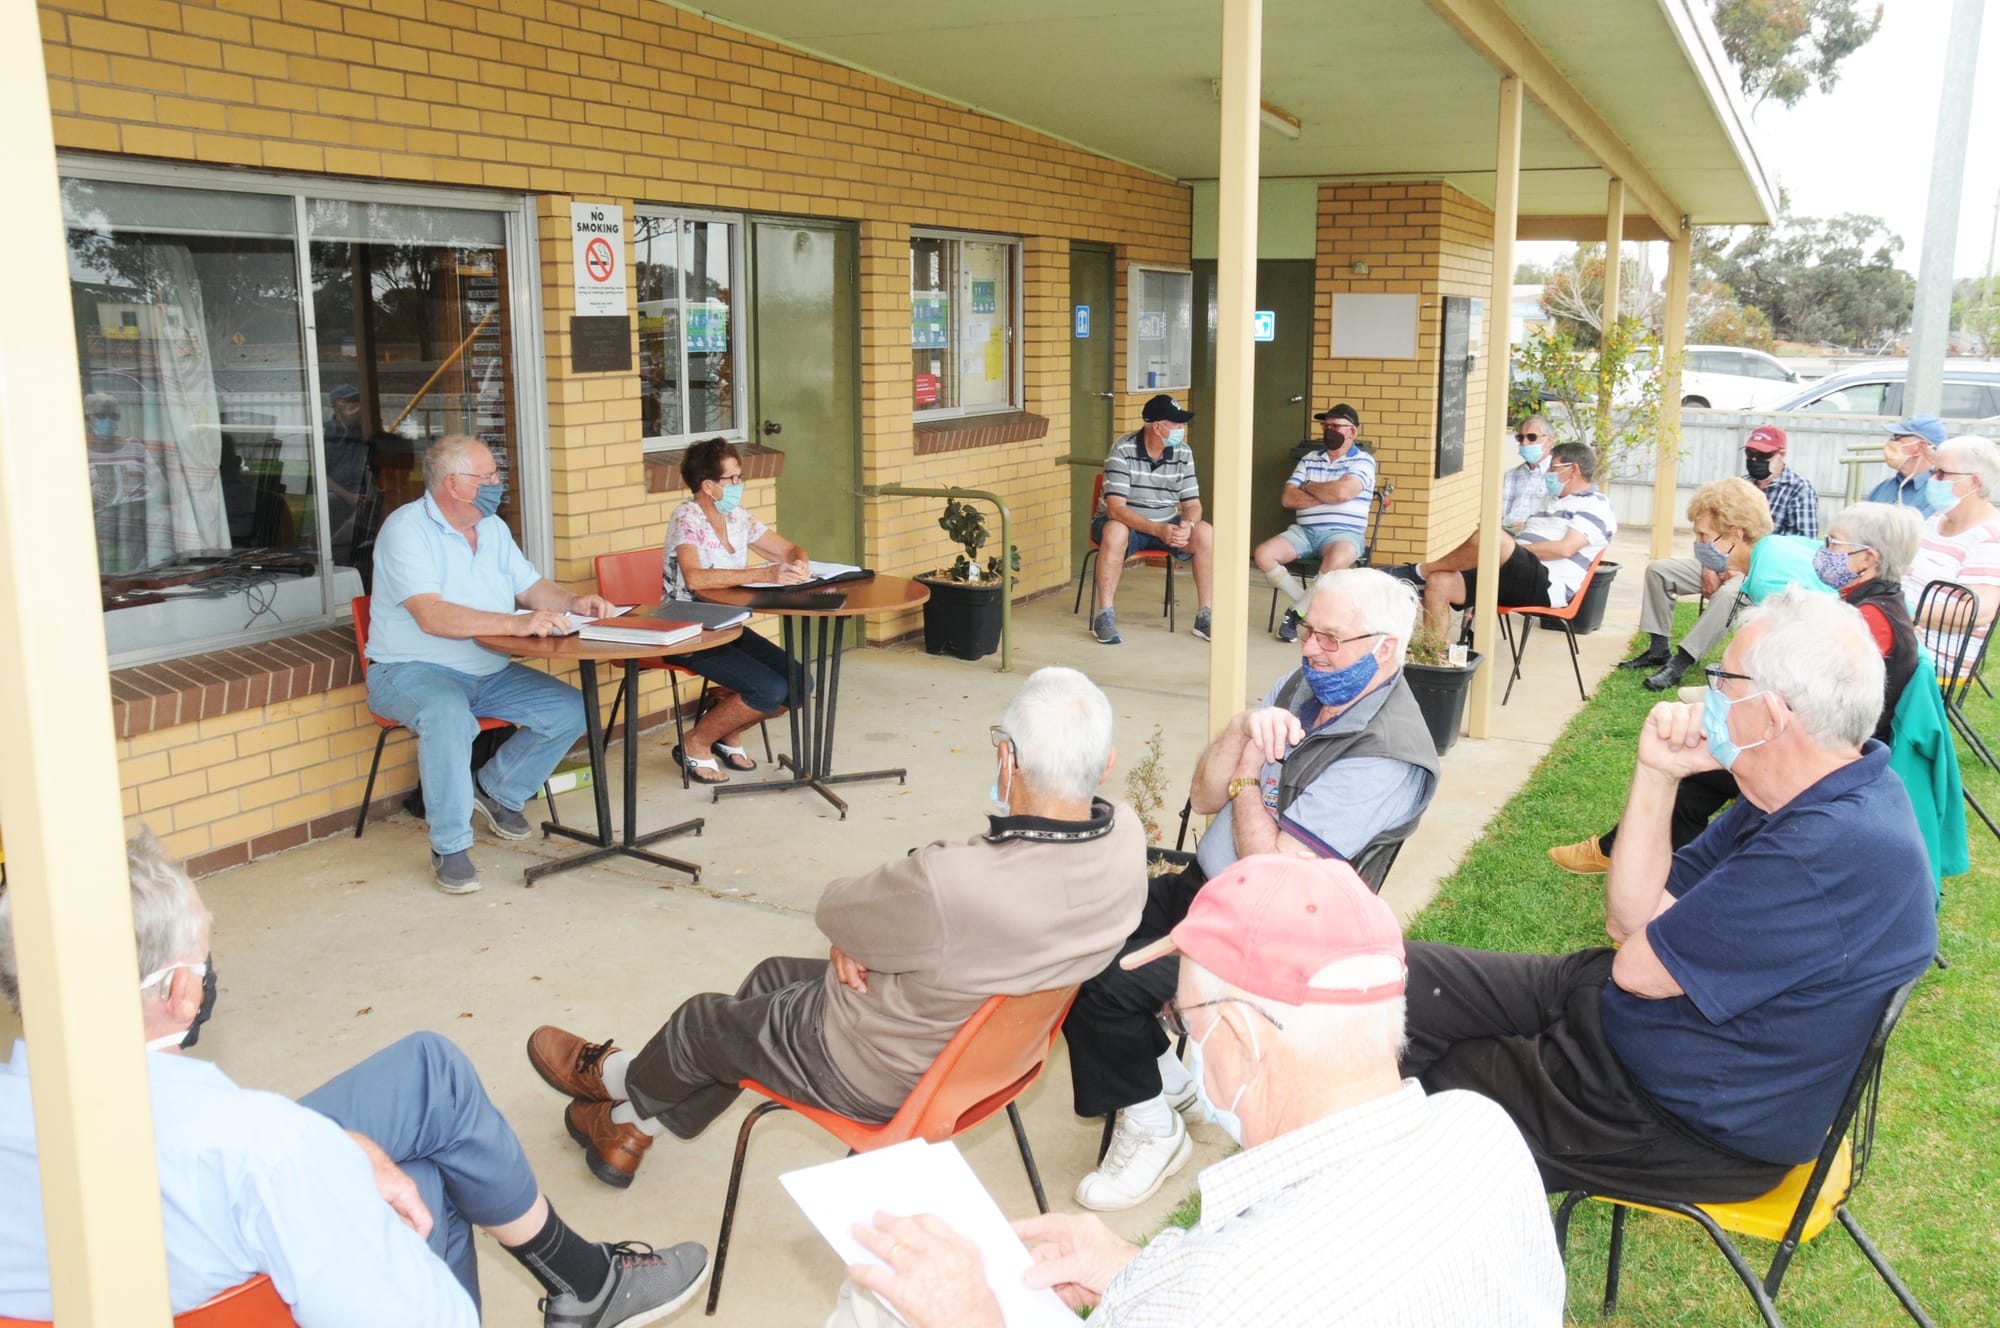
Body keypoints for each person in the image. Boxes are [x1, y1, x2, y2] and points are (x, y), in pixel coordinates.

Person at [0, 830, 709, 1328]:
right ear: (183, 991)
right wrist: (325, 1153)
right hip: (218, 1287)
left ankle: (583, 1281)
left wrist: (333, 1149)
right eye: (208, 944)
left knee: (428, 1083)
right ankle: (587, 1284)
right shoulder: (266, 1149)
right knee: (428, 1189)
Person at [823, 857, 1565, 1328]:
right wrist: (1133, 1271)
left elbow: (1238, 1295)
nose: (1179, 1034)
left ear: (1239, 1039)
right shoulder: (1482, 1133)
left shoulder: (1223, 1296)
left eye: (1181, 1017)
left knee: (876, 1303)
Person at [1408, 589, 1937, 1204]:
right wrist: (1658, 773)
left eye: (1722, 679)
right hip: (1632, 1022)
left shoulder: (1829, 847)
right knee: (1395, 978)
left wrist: (1650, 940)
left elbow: (1639, 968)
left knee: (1420, 1080)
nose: (1702, 694)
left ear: (1770, 715)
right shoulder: (1803, 788)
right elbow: (1629, 918)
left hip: (1681, 1114)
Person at [526, 668, 1146, 1189]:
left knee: (700, 1023)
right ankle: (633, 1129)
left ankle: (612, 1082)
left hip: (875, 1066)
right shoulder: (1126, 839)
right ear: (1108, 762)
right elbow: (910, 922)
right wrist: (873, 934)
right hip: (983, 1052)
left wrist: (860, 932)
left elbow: (837, 907)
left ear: (1007, 757)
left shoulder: (955, 882)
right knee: (769, 978)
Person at [1062, 568, 1439, 1210]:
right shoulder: (1305, 684)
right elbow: (1200, 795)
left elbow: (1266, 872)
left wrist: (1250, 770)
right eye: (1307, 630)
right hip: (1205, 893)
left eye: (1331, 637)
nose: (1310, 648)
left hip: (1265, 938)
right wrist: (1241, 727)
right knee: (1068, 935)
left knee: (1104, 985)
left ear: (1386, 648)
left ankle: (1153, 1131)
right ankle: (1165, 1078)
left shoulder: (1388, 755)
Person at [1552, 501, 1921, 874]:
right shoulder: (1873, 606)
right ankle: (1646, 860)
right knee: (1706, 757)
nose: (1822, 552)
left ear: (1867, 558)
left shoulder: (1870, 621)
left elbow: (1810, 697)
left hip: (1817, 750)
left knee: (1699, 770)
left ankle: (1648, 867)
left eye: (1833, 544)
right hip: (1806, 735)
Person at [365, 435, 613, 894]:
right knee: (447, 715)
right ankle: (451, 845)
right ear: (455, 484)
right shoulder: (407, 530)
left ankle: (497, 790)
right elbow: (431, 615)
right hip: (409, 670)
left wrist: (573, 602)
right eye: (489, 476)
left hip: (486, 669)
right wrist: (517, 626)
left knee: (572, 709)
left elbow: (531, 586)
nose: (498, 483)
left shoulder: (492, 527)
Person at [659, 437, 810, 785]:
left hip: (728, 623)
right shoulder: (687, 517)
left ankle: (727, 732)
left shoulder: (737, 516)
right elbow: (695, 578)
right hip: (687, 627)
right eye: (732, 479)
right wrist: (763, 573)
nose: (739, 486)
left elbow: (788, 550)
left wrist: (799, 562)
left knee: (800, 685)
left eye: (740, 478)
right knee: (769, 690)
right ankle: (695, 742)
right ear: (708, 485)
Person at [1622, 475, 1830, 694]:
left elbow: (1791, 652)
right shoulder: (1768, 551)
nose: (1698, 544)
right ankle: (1659, 651)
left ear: (1735, 534)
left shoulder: (1765, 579)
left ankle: (1680, 664)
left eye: (1704, 535)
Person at [1394, 441, 1616, 641]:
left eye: (1553, 468)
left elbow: (1565, 548)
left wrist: (1513, 549)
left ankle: (1420, 572)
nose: (1547, 473)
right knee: (1440, 581)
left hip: (1547, 583)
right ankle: (1434, 657)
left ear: (1573, 469)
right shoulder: (1549, 501)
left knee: (1492, 538)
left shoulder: (1596, 505)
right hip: (1512, 574)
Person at [1091, 394, 1215, 645]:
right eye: (1177, 424)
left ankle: (1205, 615)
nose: (1182, 429)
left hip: (1167, 524)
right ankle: (1104, 615)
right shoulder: (1122, 449)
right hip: (1125, 525)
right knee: (1116, 531)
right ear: (1157, 427)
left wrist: (1187, 524)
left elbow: (1193, 504)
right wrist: (1157, 529)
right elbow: (1115, 509)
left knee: (1205, 531)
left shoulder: (1183, 452)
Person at [1253, 402, 1376, 643]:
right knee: (1263, 554)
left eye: (1336, 426)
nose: (1329, 429)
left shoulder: (1363, 461)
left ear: (1352, 432)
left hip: (1344, 534)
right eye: (1326, 425)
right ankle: (1306, 605)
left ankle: (1296, 613)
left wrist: (1308, 487)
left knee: (1338, 560)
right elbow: (1288, 498)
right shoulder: (1310, 459)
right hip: (1304, 532)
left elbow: (1342, 493)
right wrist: (1326, 494)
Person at [1902, 434, 2000, 670]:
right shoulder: (1936, 521)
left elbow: (1978, 612)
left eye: (1942, 473)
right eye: (1933, 472)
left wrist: (1904, 614)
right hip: (1904, 639)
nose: (1933, 480)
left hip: (1933, 659)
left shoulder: (1990, 538)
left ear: (1975, 482)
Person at [84, 391, 151, 574]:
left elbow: (161, 485)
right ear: (87, 418)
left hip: (139, 522)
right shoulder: (78, 452)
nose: (108, 421)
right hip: (102, 529)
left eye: (114, 416)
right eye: (101, 415)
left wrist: (152, 497)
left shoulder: (136, 448)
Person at [323, 383, 372, 562]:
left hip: (364, 493)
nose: (356, 409)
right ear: (337, 406)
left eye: (357, 403)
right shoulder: (324, 433)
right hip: (340, 494)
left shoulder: (365, 429)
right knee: (329, 501)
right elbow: (321, 475)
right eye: (350, 404)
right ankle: (336, 554)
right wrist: (348, 496)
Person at [1743, 423, 1818, 538]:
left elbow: (1804, 541)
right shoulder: (1741, 486)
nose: (1754, 459)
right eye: (1750, 453)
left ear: (1781, 454)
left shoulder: (1799, 489)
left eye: (1763, 455)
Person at [1869, 414, 1946, 515]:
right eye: (1892, 436)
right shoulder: (1884, 487)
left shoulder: (1939, 493)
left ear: (1920, 447)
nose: (1890, 442)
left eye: (1897, 437)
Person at [1502, 415, 1555, 532]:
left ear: (1549, 440)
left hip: (1537, 538)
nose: (1525, 443)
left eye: (1532, 437)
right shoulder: (1511, 475)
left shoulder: (1557, 476)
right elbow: (1500, 514)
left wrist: (1528, 526)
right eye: (1520, 438)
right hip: (1507, 537)